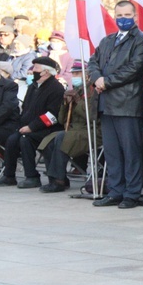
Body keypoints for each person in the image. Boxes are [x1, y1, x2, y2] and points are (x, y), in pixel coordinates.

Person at [88, 0, 143, 209]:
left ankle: (132, 193)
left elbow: (134, 69)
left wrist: (106, 82)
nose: (122, 19)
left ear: (134, 17)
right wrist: (97, 78)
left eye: (127, 15)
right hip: (106, 104)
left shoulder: (142, 41)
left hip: (128, 103)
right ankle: (115, 191)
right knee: (112, 151)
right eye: (119, 15)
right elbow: (93, 62)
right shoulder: (107, 40)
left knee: (130, 151)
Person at [0, 57, 65, 189]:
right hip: (28, 126)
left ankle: (32, 177)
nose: (32, 71)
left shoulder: (56, 88)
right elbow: (26, 109)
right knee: (12, 140)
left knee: (26, 140)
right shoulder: (33, 87)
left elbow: (53, 115)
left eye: (36, 68)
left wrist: (32, 127)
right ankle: (9, 175)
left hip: (48, 128)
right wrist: (22, 125)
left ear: (46, 72)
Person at [38, 61, 100, 193]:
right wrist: (65, 104)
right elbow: (62, 120)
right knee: (47, 141)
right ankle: (55, 178)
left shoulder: (94, 91)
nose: (74, 76)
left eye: (77, 73)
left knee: (62, 138)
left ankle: (58, 180)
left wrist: (78, 102)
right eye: (73, 73)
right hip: (74, 130)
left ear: (87, 75)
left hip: (92, 130)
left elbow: (92, 116)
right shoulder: (76, 90)